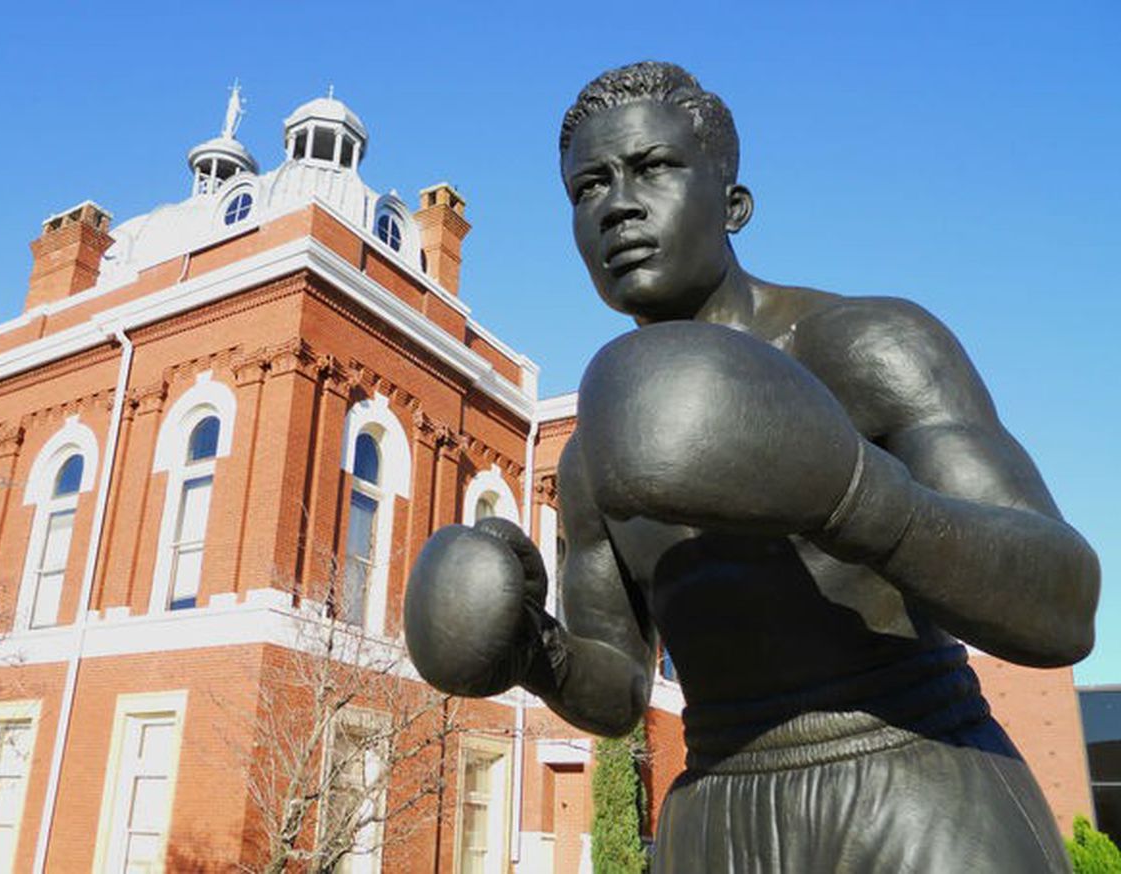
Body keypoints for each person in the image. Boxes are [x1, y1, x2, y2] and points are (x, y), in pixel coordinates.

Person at [404, 61, 1099, 872]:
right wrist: (536, 651)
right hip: (714, 810)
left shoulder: (866, 347)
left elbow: (1063, 608)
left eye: (652, 168)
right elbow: (620, 691)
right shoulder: (593, 450)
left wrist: (854, 495)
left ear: (733, 202)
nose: (618, 204)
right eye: (588, 186)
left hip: (914, 772)